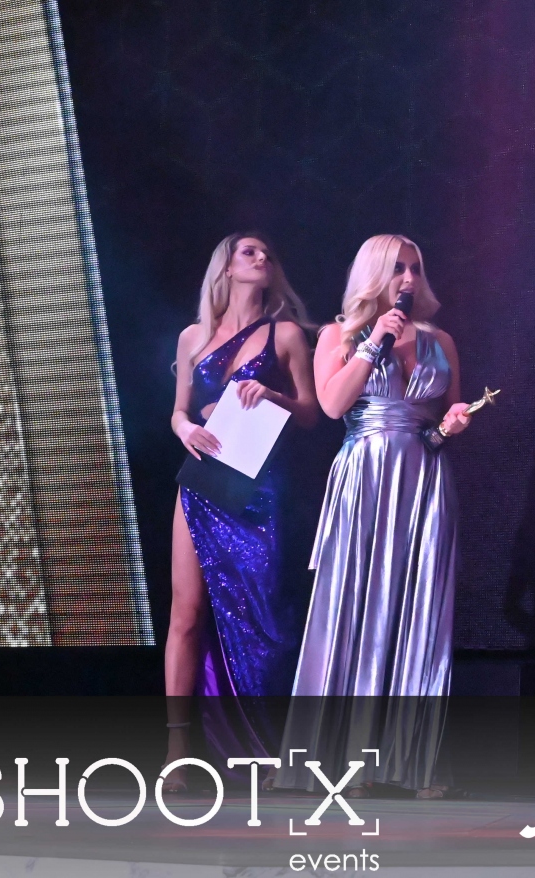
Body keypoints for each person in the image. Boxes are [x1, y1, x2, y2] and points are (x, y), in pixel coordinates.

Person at [282, 234, 474, 798]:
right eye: (396, 269)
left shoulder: (441, 341)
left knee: (420, 610)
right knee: (355, 604)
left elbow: (443, 422)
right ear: (372, 274)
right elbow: (332, 405)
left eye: (414, 267)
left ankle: (413, 762)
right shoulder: (337, 335)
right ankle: (347, 758)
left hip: (424, 482)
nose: (408, 279)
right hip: (364, 477)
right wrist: (372, 344)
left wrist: (453, 425)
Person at [166, 232, 317, 773]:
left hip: (259, 485)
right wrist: (185, 428)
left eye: (267, 254)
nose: (261, 258)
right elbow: (178, 411)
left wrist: (272, 394)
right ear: (226, 267)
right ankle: (178, 750)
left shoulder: (287, 334)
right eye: (249, 252)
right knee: (186, 613)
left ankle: (266, 749)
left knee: (263, 616)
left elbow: (312, 413)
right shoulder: (193, 337)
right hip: (203, 479)